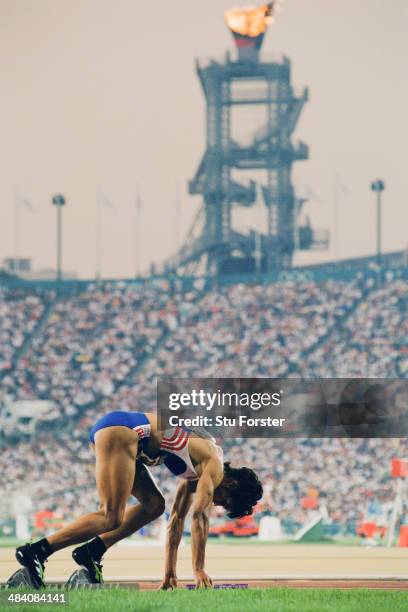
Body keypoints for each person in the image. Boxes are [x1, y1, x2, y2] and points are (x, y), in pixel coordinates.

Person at [14, 410, 263, 589]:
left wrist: (169, 574)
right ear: (232, 483)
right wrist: (198, 569)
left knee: (155, 505)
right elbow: (199, 516)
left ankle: (92, 551)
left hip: (130, 441)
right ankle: (36, 551)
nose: (218, 504)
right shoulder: (214, 465)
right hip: (124, 432)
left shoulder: (195, 472)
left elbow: (176, 521)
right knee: (110, 515)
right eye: (225, 501)